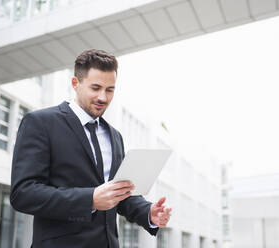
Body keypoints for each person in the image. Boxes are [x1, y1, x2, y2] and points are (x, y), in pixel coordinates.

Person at [10, 49, 171, 248]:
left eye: (110, 89)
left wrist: (148, 212)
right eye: (95, 87)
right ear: (75, 84)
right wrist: (90, 200)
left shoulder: (114, 136)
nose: (103, 97)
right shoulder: (40, 123)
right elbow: (23, 194)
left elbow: (119, 193)